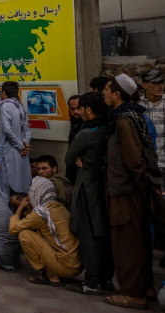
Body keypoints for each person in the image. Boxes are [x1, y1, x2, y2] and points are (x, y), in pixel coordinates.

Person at [102, 74, 161, 309]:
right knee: (139, 242)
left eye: (107, 90)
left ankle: (133, 294)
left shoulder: (124, 120)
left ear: (117, 94)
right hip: (133, 191)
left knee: (128, 246)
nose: (104, 94)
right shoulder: (132, 115)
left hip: (126, 193)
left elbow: (134, 160)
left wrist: (139, 187)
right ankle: (145, 288)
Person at [63, 91, 114, 295]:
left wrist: (77, 159)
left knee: (88, 235)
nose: (79, 112)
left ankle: (91, 281)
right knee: (103, 234)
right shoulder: (108, 129)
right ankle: (105, 278)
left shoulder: (85, 133)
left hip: (87, 187)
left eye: (81, 108)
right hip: (104, 186)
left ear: (88, 110)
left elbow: (68, 158)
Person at [9, 177, 81, 286]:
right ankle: (54, 271)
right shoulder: (58, 206)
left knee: (24, 235)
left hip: (66, 267)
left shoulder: (41, 213)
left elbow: (13, 229)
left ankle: (51, 275)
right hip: (75, 265)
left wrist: (20, 207)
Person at [0, 81, 32, 204]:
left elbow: (7, 129)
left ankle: (6, 219)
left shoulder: (5, 106)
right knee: (18, 184)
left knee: (3, 188)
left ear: (3, 92)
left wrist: (21, 146)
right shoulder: (20, 107)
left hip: (8, 152)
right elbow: (27, 130)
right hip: (20, 152)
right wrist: (25, 144)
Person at [141, 69, 164, 175]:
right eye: (155, 83)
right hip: (146, 165)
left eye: (162, 83)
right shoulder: (138, 106)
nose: (160, 86)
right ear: (144, 85)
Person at [66, 95, 83, 184]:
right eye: (72, 109)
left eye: (78, 108)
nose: (76, 112)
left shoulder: (87, 126)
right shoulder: (74, 124)